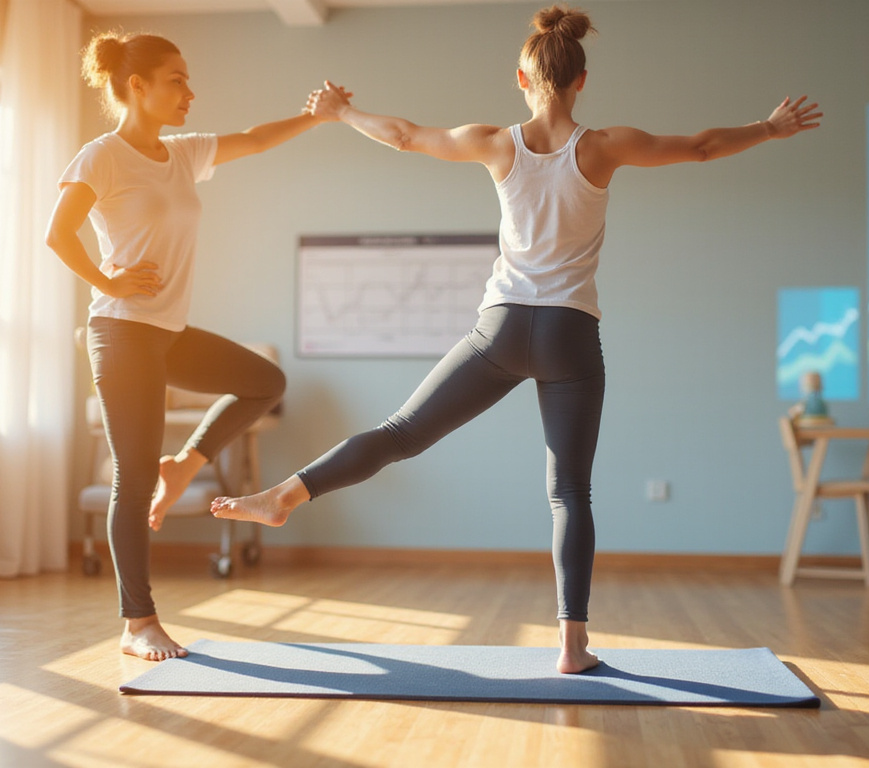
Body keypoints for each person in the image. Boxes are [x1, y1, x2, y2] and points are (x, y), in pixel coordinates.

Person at [212, 4, 821, 674]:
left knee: (398, 434)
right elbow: (702, 146)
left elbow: (406, 135)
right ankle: (572, 645)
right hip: (569, 334)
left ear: (521, 77)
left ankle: (284, 496)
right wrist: (769, 127)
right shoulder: (603, 145)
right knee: (570, 493)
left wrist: (338, 112)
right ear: (582, 79)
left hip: (501, 327)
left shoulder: (495, 142)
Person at [46, 31, 331, 661]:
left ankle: (186, 465)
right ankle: (137, 621)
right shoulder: (101, 157)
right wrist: (107, 280)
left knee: (264, 382)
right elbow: (58, 234)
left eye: (188, 79)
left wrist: (316, 117)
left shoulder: (180, 154)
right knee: (132, 475)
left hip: (167, 332)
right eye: (176, 79)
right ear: (137, 86)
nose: (189, 92)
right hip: (121, 332)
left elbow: (255, 139)